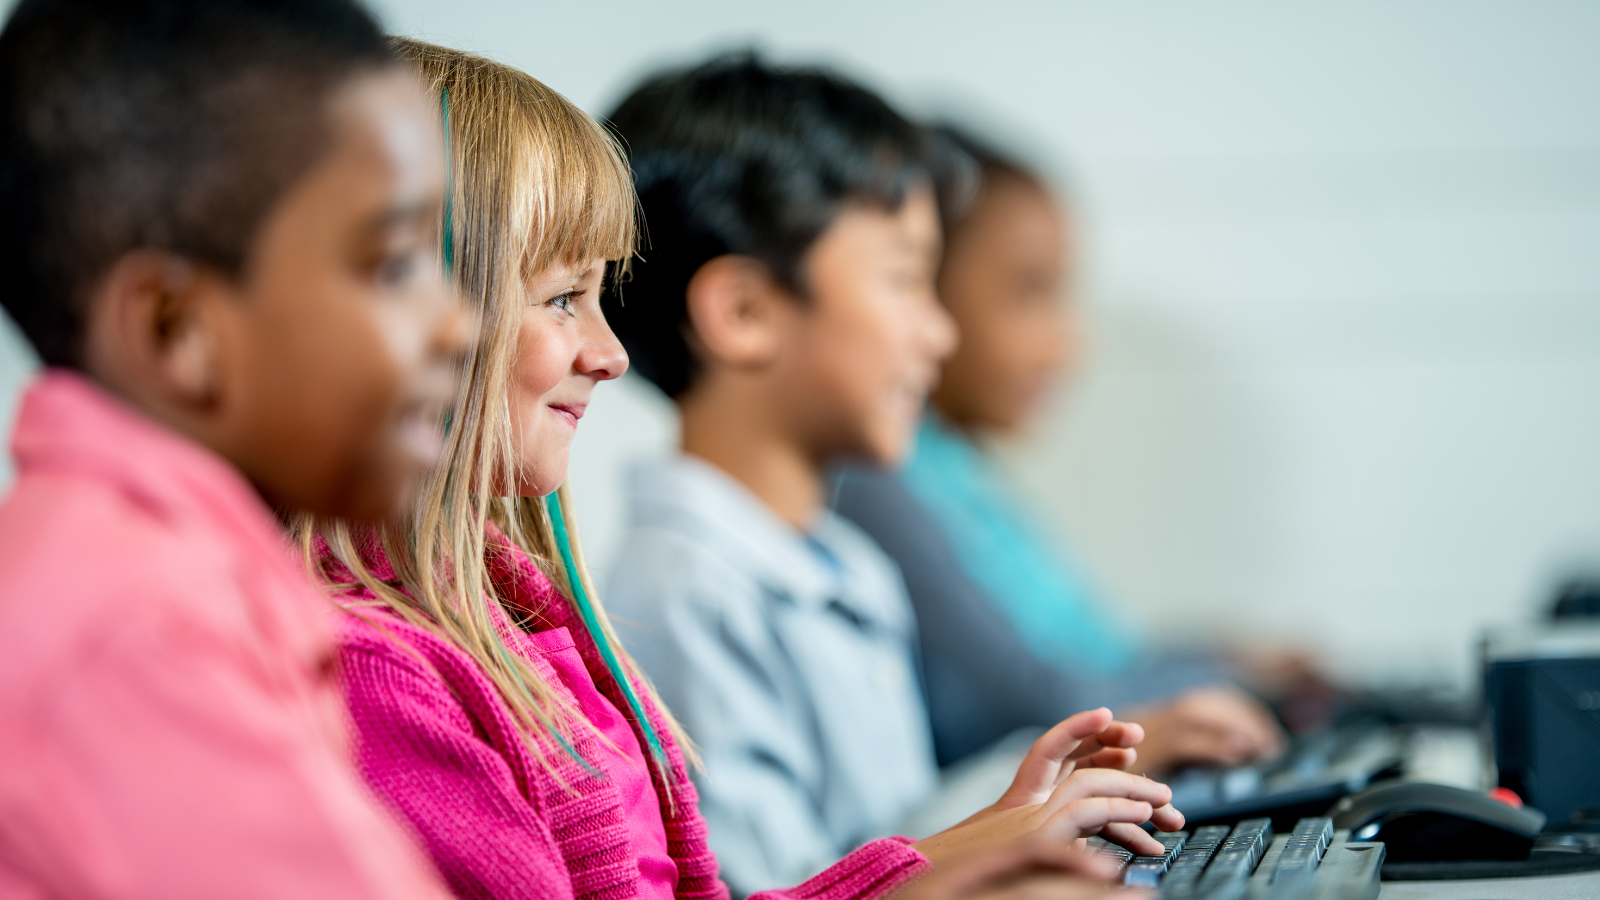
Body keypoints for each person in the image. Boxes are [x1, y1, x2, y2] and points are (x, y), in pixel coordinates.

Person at [302, 42, 1176, 900]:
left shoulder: (539, 635)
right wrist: (944, 872)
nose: (606, 354)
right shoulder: (409, 670)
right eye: (565, 297)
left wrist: (990, 838)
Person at [599, 54, 1182, 898]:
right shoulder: (685, 591)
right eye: (906, 279)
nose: (939, 336)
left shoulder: (848, 561)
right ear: (746, 312)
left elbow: (891, 829)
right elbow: (788, 889)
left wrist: (1034, 792)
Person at [0, 0, 473, 895]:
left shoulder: (164, 577)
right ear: (178, 331)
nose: (458, 322)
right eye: (396, 263)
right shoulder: (138, 628)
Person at [830, 126, 1288, 776]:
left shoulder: (958, 472)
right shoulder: (879, 481)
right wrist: (1229, 673)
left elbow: (1101, 657)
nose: (1065, 343)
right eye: (1028, 292)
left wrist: (1228, 656)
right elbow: (1044, 697)